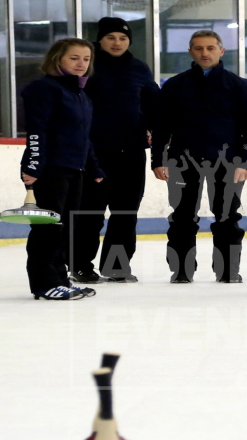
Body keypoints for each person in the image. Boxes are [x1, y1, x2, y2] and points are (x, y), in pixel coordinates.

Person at [151, 30, 247, 284]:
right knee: (182, 217)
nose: (205, 53)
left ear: (221, 51)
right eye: (198, 48)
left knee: (227, 218)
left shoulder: (239, 86)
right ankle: (181, 271)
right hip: (182, 161)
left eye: (211, 48)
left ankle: (228, 271)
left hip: (229, 162)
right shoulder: (175, 86)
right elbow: (161, 127)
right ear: (190, 51)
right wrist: (157, 160)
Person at [70, 17, 159, 284]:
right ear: (100, 40)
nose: (117, 42)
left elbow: (154, 103)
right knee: (90, 211)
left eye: (122, 38)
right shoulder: (87, 67)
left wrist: (151, 127)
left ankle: (117, 266)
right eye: (111, 37)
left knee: (125, 212)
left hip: (131, 151)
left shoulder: (138, 68)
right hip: (94, 151)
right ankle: (81, 265)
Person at [20, 38, 105, 300]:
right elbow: (37, 131)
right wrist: (33, 165)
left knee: (66, 228)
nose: (81, 63)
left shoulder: (80, 95)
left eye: (86, 59)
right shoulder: (43, 89)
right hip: (49, 170)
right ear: (58, 59)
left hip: (74, 169)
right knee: (47, 227)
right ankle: (44, 283)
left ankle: (59, 278)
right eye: (74, 58)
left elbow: (83, 136)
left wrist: (94, 167)